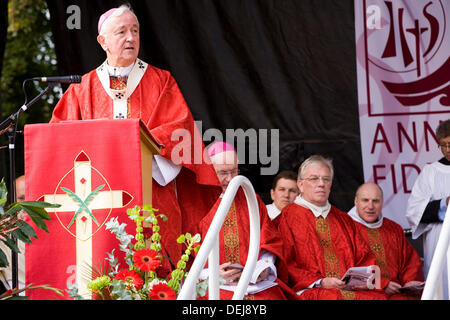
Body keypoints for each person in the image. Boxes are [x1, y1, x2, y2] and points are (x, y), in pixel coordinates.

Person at [48, 5, 221, 269]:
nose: (131, 37)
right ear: (102, 41)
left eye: (135, 31)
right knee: (105, 267)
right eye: (122, 32)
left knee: (157, 270)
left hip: (153, 192)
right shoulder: (82, 89)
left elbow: (179, 129)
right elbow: (59, 139)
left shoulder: (161, 81)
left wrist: (136, 142)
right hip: (97, 196)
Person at [277, 155, 388, 300]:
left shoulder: (344, 219)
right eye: (314, 179)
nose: (321, 184)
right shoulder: (287, 217)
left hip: (349, 289)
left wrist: (362, 280)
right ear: (300, 184)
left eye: (326, 179)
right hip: (309, 289)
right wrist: (321, 281)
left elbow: (364, 257)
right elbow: (285, 265)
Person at [197, 141, 293, 300]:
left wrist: (265, 267)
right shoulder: (195, 201)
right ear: (209, 170)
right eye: (223, 173)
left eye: (234, 171)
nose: (230, 179)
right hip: (212, 284)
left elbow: (269, 239)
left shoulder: (250, 198)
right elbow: (182, 253)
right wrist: (211, 273)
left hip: (254, 284)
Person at [348, 182, 424, 299]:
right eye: (365, 200)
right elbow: (347, 271)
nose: (370, 206)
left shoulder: (393, 229)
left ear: (382, 203)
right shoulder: (344, 229)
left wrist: (409, 282)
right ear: (356, 201)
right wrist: (382, 284)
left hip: (395, 293)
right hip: (362, 294)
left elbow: (410, 262)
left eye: (376, 201)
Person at [406, 119, 450, 299]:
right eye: (443, 145)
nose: (447, 149)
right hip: (440, 242)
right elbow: (414, 211)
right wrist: (444, 204)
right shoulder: (431, 172)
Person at [0, 175, 26, 294]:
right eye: (22, 198)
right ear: (12, 201)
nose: (28, 204)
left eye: (33, 196)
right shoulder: (3, 233)